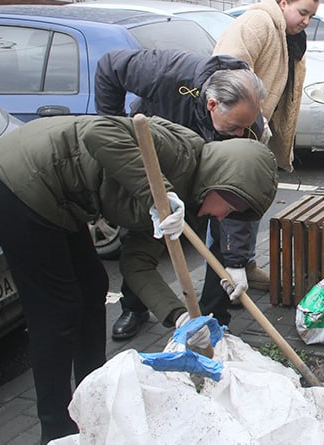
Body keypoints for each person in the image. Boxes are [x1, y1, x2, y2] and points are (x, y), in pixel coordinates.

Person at [0, 115, 278, 443]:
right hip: (24, 174)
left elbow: (137, 264)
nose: (224, 217)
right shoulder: (177, 154)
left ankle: (92, 397)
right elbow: (99, 132)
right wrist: (158, 195)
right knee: (57, 311)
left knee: (93, 287)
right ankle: (56, 429)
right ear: (224, 180)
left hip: (63, 197)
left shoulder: (184, 208)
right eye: (231, 206)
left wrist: (178, 316)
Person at [94, 48, 271, 338]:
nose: (241, 134)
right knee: (140, 230)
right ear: (212, 104)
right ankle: (134, 306)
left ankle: (215, 315)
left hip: (207, 173)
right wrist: (115, 123)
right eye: (235, 127)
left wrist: (237, 261)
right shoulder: (167, 73)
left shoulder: (249, 125)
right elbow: (109, 65)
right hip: (154, 158)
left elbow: (239, 198)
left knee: (221, 232)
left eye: (245, 127)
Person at [212, 0, 319, 312]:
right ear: (283, 3)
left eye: (311, 16)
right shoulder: (257, 22)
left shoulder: (290, 37)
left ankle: (242, 266)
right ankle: (222, 284)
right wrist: (248, 125)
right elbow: (225, 70)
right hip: (235, 132)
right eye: (303, 12)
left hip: (255, 133)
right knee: (229, 206)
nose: (306, 21)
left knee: (251, 202)